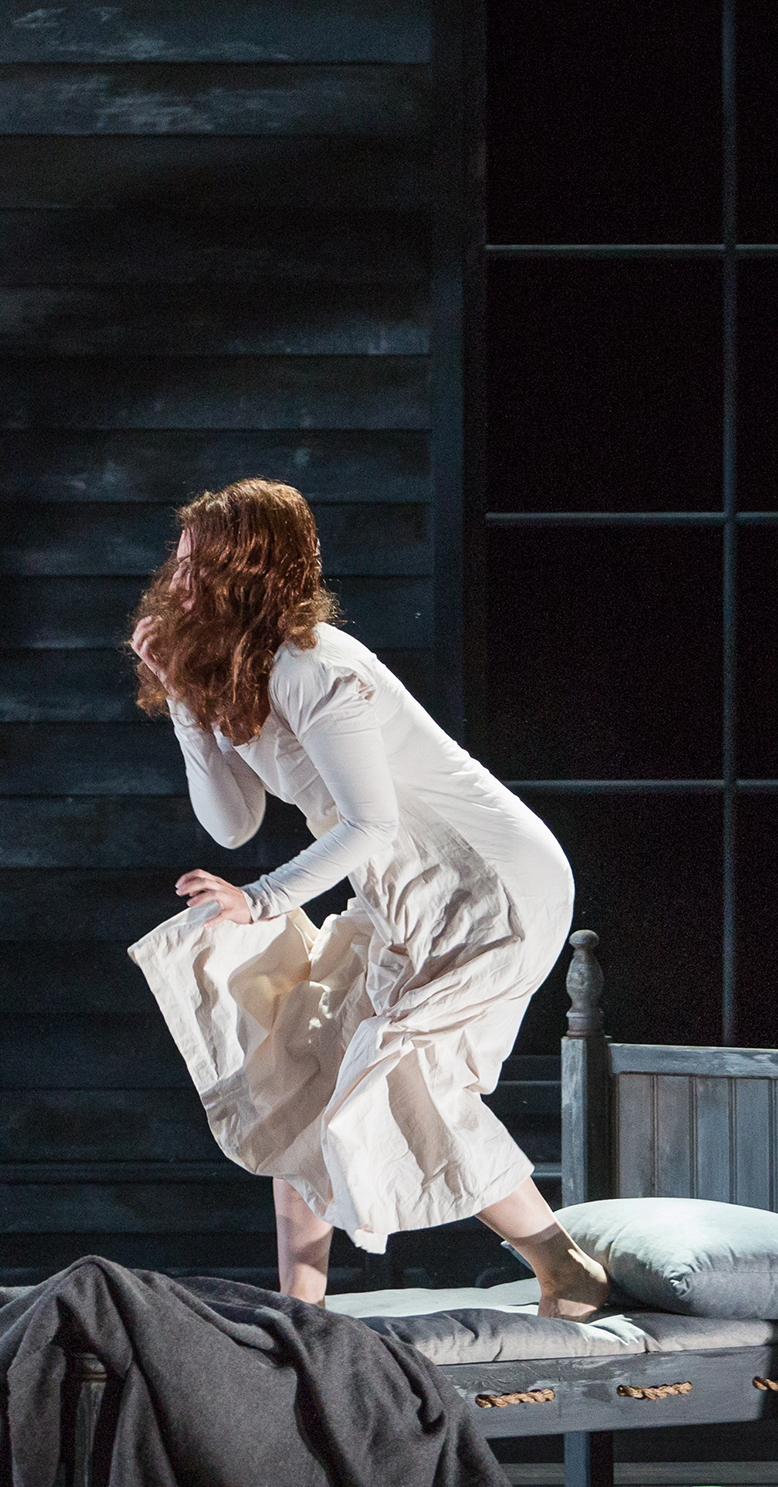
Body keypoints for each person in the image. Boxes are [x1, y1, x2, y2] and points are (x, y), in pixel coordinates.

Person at [125, 478, 609, 1318]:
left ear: (251, 574)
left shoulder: (313, 666)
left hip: (484, 883)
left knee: (405, 1074)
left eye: (202, 567)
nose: (181, 582)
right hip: (405, 887)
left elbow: (372, 825)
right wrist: (183, 704)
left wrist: (263, 902)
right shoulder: (246, 674)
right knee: (306, 1061)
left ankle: (565, 1266)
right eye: (182, 563)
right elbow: (233, 826)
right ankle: (300, 1316)